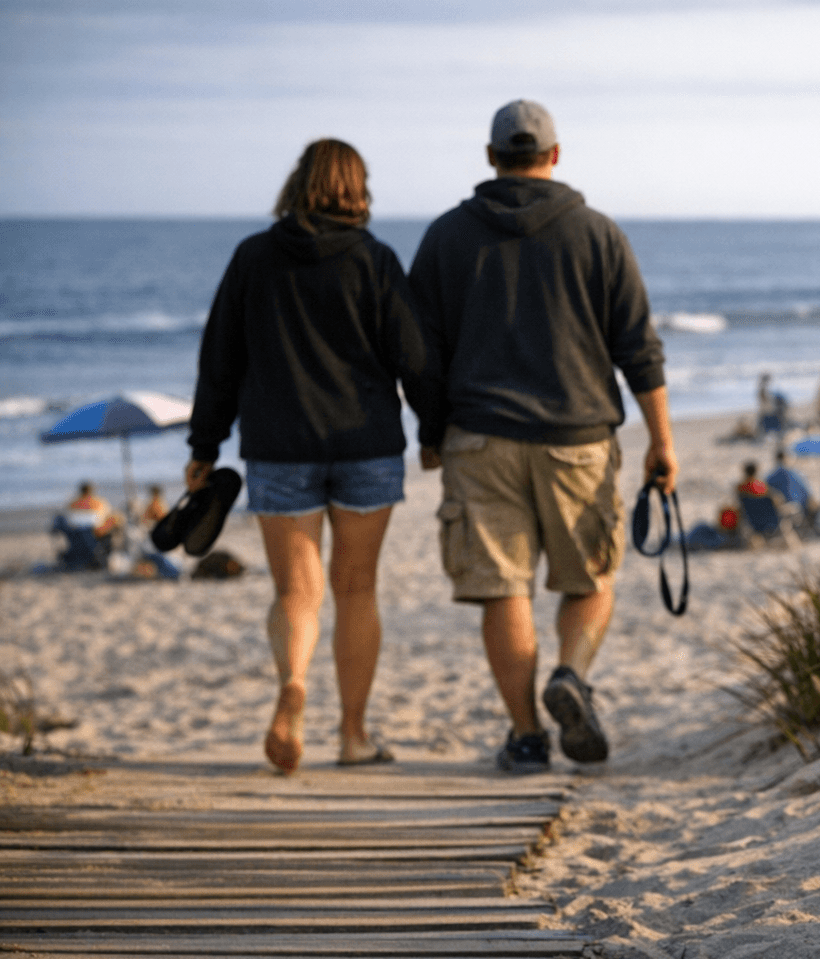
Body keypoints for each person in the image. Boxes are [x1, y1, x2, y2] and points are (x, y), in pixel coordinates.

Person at [408, 99, 675, 774]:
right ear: (555, 155)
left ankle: (526, 736)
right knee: (590, 577)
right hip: (578, 439)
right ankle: (571, 673)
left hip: (478, 440)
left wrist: (431, 430)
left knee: (504, 590)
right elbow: (638, 348)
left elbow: (418, 351)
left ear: (492, 158)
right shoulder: (598, 233)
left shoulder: (446, 237)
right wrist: (661, 440)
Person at [185, 138, 433, 773]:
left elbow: (219, 360)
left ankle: (294, 682)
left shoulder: (253, 258)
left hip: (279, 447)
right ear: (359, 188)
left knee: (297, 591)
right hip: (366, 446)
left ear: (297, 184)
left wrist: (203, 446)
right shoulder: (375, 261)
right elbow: (415, 359)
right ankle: (353, 737)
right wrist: (436, 428)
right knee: (357, 589)